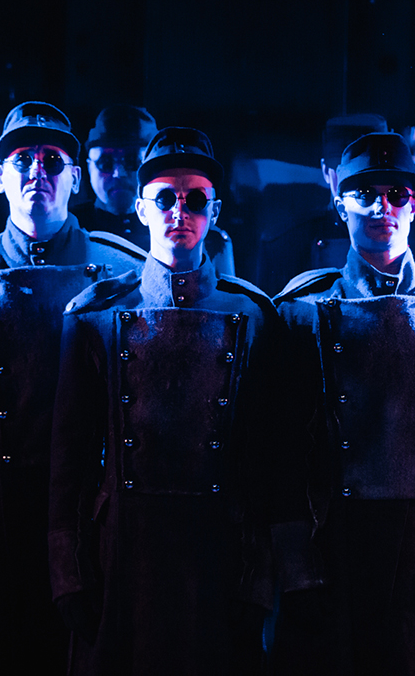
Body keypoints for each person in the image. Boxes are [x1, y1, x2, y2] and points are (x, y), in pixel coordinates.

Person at [0, 101, 146, 675]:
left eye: (53, 160)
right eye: (22, 160)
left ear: (76, 178)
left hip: (91, 521)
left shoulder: (125, 275)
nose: (38, 171)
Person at [271, 133, 415, 675]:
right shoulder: (300, 312)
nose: (382, 208)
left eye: (396, 195)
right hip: (335, 549)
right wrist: (296, 565)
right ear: (341, 206)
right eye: (365, 195)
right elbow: (281, 453)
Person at [48, 126, 278, 674]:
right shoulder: (95, 314)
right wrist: (69, 572)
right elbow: (69, 458)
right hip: (122, 554)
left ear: (214, 211)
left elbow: (268, 463)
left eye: (195, 200)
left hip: (218, 555)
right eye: (165, 198)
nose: (180, 211)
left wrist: (259, 579)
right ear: (141, 209)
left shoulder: (252, 316)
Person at [73, 105, 236, 275]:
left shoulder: (206, 240)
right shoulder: (71, 233)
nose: (119, 173)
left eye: (132, 161)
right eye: (105, 162)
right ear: (88, 166)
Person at [252, 113, 387, 295]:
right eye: (343, 171)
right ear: (325, 170)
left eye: (368, 173)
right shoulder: (286, 244)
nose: (355, 183)